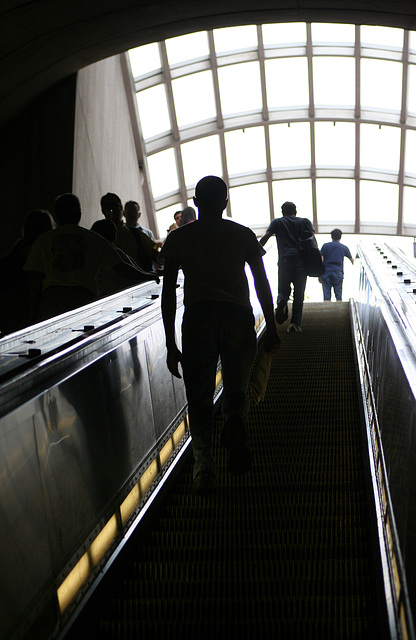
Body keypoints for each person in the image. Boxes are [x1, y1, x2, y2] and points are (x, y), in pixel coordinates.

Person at [160, 175, 280, 496]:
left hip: (198, 316)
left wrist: (171, 343)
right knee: (237, 387)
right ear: (225, 203)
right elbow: (261, 283)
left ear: (196, 203)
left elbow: (169, 294)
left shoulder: (180, 238)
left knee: (198, 396)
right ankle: (235, 421)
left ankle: (204, 468)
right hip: (238, 315)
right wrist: (271, 325)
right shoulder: (241, 234)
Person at [24, 193, 158, 322]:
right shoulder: (92, 238)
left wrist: (32, 313)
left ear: (57, 215)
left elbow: (34, 278)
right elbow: (120, 266)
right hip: (83, 298)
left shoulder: (43, 240)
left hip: (52, 299)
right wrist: (146, 276)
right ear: (79, 215)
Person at [260, 201, 315, 332]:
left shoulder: (277, 222)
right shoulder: (305, 222)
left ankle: (282, 301)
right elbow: (312, 238)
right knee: (299, 293)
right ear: (295, 211)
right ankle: (295, 324)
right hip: (301, 261)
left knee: (283, 289)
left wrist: (255, 250)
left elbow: (266, 236)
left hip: (284, 260)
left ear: (282, 212)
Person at [100, 192, 161, 272]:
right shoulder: (98, 234)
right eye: (108, 207)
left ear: (121, 209)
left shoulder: (137, 234)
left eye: (115, 206)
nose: (112, 210)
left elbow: (156, 253)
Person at [320, 228, 354, 301]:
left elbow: (321, 260)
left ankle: (326, 309)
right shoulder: (344, 247)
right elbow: (352, 260)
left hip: (326, 272)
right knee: (338, 295)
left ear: (331, 236)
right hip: (338, 272)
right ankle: (339, 306)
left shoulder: (325, 246)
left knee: (326, 295)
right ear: (340, 237)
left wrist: (319, 274)